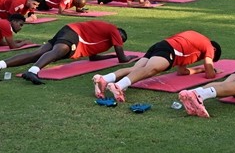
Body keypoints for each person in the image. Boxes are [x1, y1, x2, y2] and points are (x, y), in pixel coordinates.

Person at [0, 20, 132, 85]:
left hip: (70, 32)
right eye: (120, 38)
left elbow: (93, 57)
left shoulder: (103, 42)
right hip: (75, 33)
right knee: (59, 50)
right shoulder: (112, 30)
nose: (119, 41)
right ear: (118, 34)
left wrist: (109, 56)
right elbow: (122, 59)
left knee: (37, 54)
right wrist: (126, 57)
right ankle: (33, 71)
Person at [92, 30, 222, 102]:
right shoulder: (209, 46)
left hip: (161, 45)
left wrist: (198, 69)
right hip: (170, 50)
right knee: (150, 70)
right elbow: (210, 74)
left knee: (135, 69)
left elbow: (181, 71)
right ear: (214, 50)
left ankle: (104, 79)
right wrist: (211, 69)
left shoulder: (194, 44)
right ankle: (119, 86)